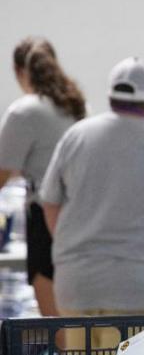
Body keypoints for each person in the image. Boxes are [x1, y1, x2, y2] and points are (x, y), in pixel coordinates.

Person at [40, 56, 144, 349]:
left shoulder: (76, 136)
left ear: (110, 96)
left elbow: (49, 201)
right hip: (139, 290)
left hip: (78, 284)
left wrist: (73, 247)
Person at [0, 37, 86, 316]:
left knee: (55, 314)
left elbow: (1, 173)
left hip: (46, 216)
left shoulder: (24, 111)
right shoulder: (76, 106)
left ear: (18, 72)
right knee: (79, 310)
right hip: (84, 214)